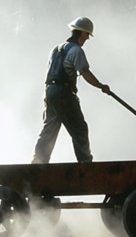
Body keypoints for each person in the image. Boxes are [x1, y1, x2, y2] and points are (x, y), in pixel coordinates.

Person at [32, 16, 111, 164]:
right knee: (79, 129)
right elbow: (85, 73)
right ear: (82, 33)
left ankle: (38, 161)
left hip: (49, 91)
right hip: (63, 93)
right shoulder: (76, 50)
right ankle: (85, 163)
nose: (87, 39)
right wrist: (101, 86)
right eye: (87, 35)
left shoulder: (55, 49)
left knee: (49, 129)